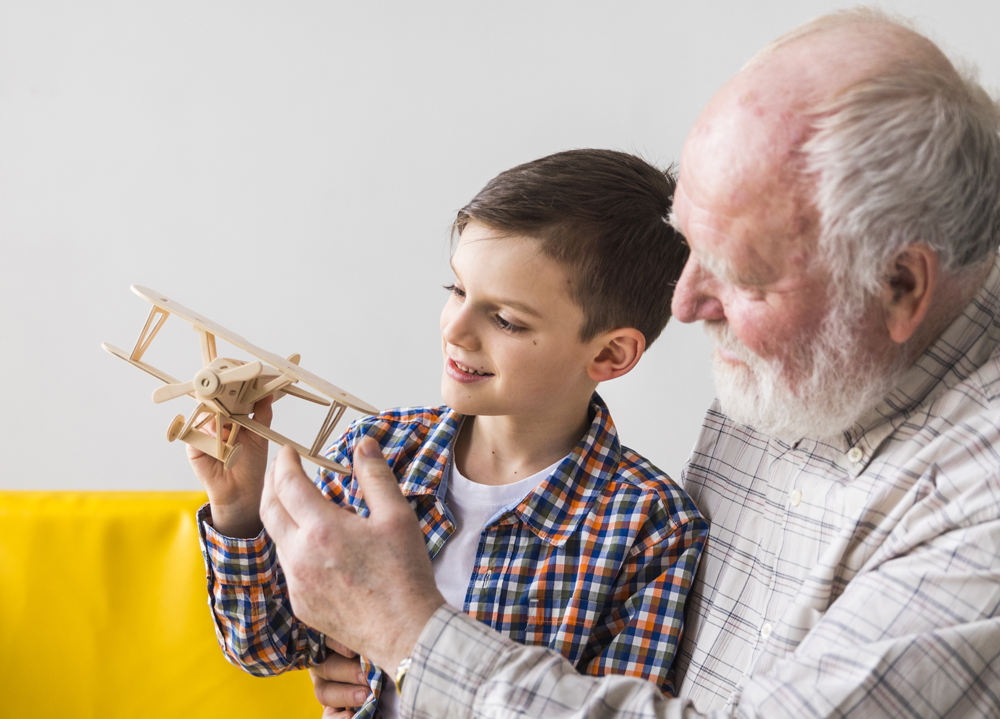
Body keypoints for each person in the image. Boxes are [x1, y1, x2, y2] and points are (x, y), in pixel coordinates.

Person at [258, 8, 1000, 718]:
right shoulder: (806, 357)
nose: (683, 304)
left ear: (899, 285)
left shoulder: (977, 520)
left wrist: (414, 642)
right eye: (691, 246)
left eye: (740, 273)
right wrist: (387, 660)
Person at [193, 149, 708, 718]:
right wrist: (237, 511)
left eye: (506, 319)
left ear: (610, 352)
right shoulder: (381, 450)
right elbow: (269, 646)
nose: (456, 329)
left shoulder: (650, 528)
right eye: (457, 290)